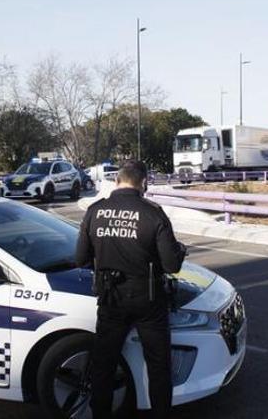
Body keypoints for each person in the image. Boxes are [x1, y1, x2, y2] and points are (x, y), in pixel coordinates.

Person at [75, 159, 186, 419]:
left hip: (110, 297)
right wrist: (180, 250)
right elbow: (171, 265)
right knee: (158, 366)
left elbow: (80, 258)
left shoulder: (95, 211)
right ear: (144, 183)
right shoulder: (153, 213)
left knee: (103, 364)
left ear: (117, 181)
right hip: (148, 300)